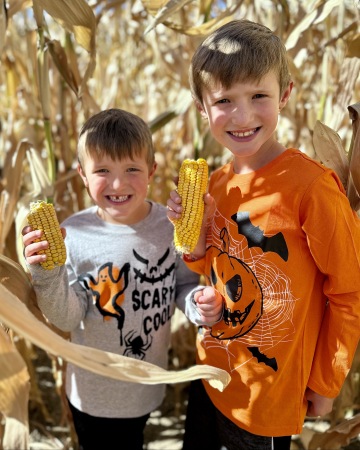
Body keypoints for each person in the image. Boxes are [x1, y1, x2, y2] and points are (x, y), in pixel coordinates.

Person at [167, 19, 360, 450]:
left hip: (267, 397)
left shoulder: (311, 187)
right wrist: (192, 234)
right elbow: (206, 265)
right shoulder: (215, 182)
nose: (242, 115)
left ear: (285, 95)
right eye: (224, 100)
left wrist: (327, 383)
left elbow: (349, 292)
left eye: (259, 96)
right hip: (211, 372)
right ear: (202, 106)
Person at [22, 108, 205, 450]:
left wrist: (196, 305)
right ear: (82, 175)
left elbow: (182, 284)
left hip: (147, 386)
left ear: (151, 171)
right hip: (96, 395)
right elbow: (67, 316)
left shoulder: (169, 228)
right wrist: (46, 273)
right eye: (103, 170)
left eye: (131, 169)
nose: (118, 184)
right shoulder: (74, 234)